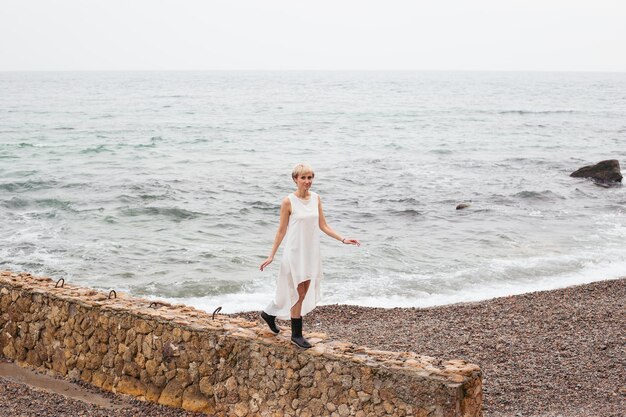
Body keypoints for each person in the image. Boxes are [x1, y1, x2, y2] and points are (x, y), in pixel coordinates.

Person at [259, 163, 360, 349]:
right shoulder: (288, 201)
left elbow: (323, 225)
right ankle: (296, 335)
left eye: (310, 177)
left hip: (310, 251)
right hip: (295, 252)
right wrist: (271, 255)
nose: (307, 181)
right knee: (298, 292)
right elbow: (281, 231)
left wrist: (343, 239)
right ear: (295, 179)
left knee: (303, 291)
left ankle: (269, 314)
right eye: (303, 178)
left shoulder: (316, 198)